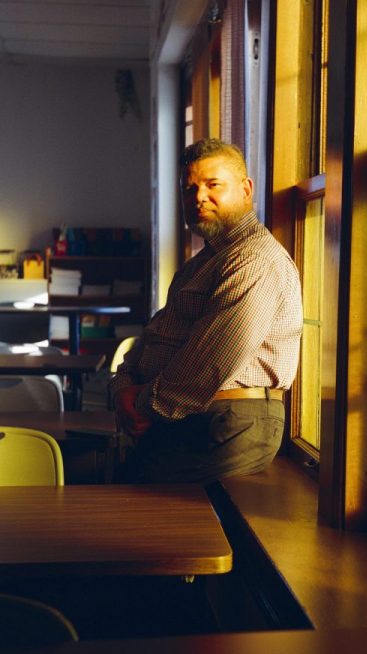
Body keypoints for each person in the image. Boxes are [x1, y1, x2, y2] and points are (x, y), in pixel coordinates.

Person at [110, 138, 303, 484]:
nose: (198, 197)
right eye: (189, 188)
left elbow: (210, 361)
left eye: (213, 185)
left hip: (224, 422)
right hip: (187, 417)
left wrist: (138, 405)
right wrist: (123, 384)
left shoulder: (253, 259)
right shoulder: (203, 262)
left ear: (246, 190)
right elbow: (156, 334)